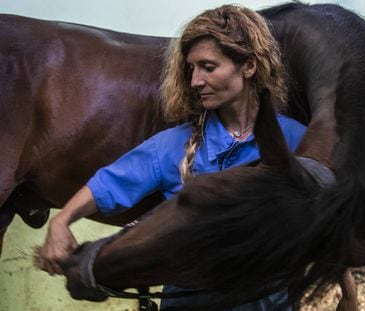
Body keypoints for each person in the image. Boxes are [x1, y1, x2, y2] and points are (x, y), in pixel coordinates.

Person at [39, 4, 306, 310]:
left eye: (208, 66)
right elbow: (109, 185)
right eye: (191, 69)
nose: (195, 81)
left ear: (248, 66)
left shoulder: (297, 141)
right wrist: (61, 222)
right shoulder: (175, 146)